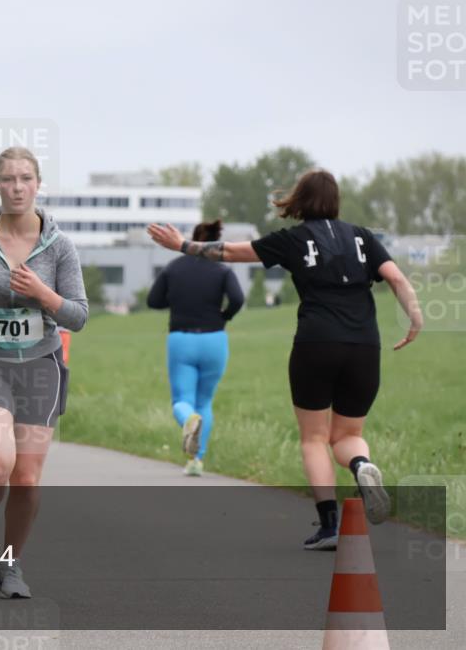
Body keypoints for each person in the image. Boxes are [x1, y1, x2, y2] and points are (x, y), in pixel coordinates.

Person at [147, 169, 423, 550]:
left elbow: (230, 252)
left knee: (314, 438)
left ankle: (330, 527)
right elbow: (397, 279)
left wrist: (182, 245)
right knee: (349, 436)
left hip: (315, 344)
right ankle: (361, 466)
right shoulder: (363, 237)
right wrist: (414, 315)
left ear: (301, 201)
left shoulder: (293, 239)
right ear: (336, 201)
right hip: (364, 346)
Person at [0, 147, 88, 598]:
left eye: (25, 178)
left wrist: (43, 294)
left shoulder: (60, 246)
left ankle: (11, 566)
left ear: (38, 184)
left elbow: (78, 316)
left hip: (40, 364)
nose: (17, 187)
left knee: (25, 476)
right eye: (8, 179)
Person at [147, 219, 244, 476]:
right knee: (205, 401)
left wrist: (179, 300)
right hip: (215, 340)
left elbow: (153, 300)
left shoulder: (174, 268)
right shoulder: (222, 270)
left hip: (182, 339)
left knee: (183, 401)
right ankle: (196, 461)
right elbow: (238, 298)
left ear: (192, 238)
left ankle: (189, 421)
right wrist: (225, 316)